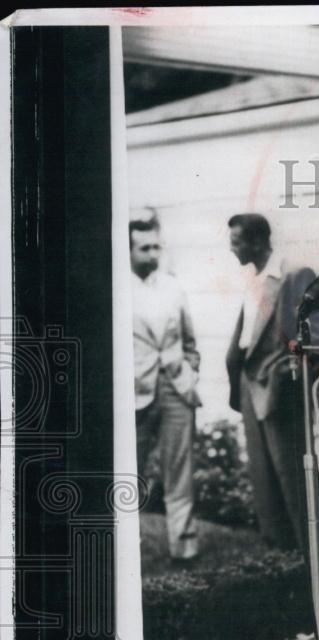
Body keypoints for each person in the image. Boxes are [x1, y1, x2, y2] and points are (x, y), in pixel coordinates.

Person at [225, 213, 319, 551]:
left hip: (278, 391)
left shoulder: (293, 276)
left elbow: (315, 338)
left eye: (236, 242)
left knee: (293, 481)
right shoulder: (253, 279)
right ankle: (281, 563)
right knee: (265, 483)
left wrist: (282, 375)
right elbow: (246, 338)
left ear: (257, 241)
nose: (231, 249)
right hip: (248, 388)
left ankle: (315, 558)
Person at [131, 208, 200, 561]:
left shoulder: (173, 286)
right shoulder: (115, 287)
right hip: (133, 394)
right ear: (128, 250)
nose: (153, 255)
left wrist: (191, 373)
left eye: (156, 248)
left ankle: (184, 547)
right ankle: (127, 548)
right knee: (130, 472)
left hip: (176, 388)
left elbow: (190, 341)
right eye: (144, 249)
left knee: (179, 470)